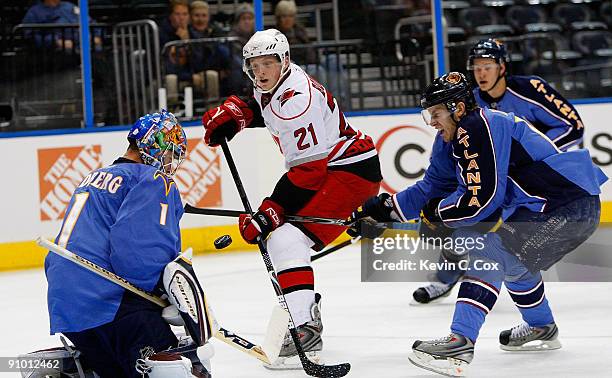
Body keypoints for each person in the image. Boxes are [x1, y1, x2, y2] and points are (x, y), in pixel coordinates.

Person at [349, 72, 606, 377]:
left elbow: (482, 201)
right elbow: (431, 187)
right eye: (428, 114)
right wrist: (385, 209)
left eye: (436, 113)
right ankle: (541, 326)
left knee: (490, 255)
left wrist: (436, 215)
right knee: (515, 265)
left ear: (458, 107)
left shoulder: (477, 125)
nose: (431, 121)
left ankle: (461, 340)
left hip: (568, 207)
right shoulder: (452, 137)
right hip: (549, 207)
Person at [200, 29, 382, 369]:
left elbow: (309, 173)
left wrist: (270, 211)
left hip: (348, 172)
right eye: (255, 65)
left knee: (284, 239)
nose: (262, 72)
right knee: (282, 238)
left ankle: (305, 328)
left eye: (269, 63)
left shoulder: (297, 100)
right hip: (335, 167)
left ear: (285, 61)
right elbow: (259, 102)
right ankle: (304, 319)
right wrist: (237, 115)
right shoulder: (275, 82)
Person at [412, 38, 587, 304]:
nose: (481, 73)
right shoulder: (469, 102)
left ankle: (527, 305)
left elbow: (572, 126)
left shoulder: (531, 89)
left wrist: (529, 157)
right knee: (461, 217)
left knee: (505, 243)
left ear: (502, 67)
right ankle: (445, 278)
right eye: (477, 67)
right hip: (497, 176)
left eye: (488, 66)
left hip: (530, 180)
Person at [45, 110, 216, 378]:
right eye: (170, 153)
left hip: (67, 307)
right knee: (180, 369)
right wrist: (163, 290)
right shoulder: (153, 179)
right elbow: (137, 255)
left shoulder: (92, 178)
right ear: (155, 144)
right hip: (112, 303)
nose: (171, 163)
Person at [22, 0, 102, 50]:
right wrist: (56, 42)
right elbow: (29, 36)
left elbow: (90, 22)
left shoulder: (70, 7)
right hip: (55, 52)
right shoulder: (34, 12)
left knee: (98, 50)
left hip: (83, 45)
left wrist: (96, 36)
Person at [189, 1, 228, 103]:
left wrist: (227, 69)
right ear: (190, 17)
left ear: (209, 17)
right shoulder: (186, 33)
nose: (200, 19)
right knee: (211, 76)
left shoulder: (216, 31)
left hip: (214, 70)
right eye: (197, 15)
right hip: (193, 74)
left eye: (204, 15)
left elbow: (226, 55)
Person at [158, 0, 192, 106]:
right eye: (177, 14)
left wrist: (187, 41)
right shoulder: (161, 34)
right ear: (171, 16)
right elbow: (165, 66)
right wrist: (188, 76)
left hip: (190, 74)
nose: (181, 18)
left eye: (184, 14)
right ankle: (172, 113)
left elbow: (201, 62)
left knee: (211, 75)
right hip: (167, 76)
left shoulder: (193, 32)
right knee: (171, 79)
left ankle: (213, 114)